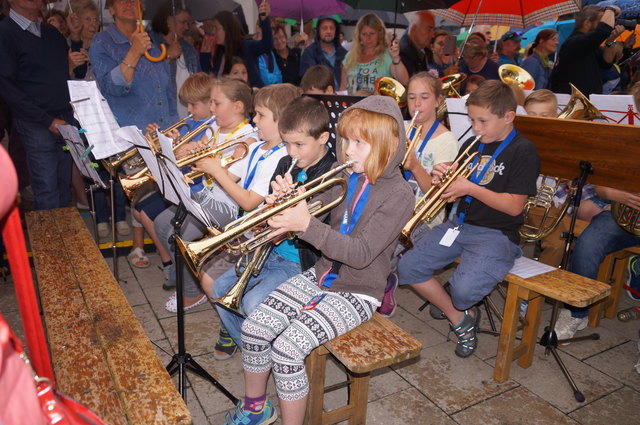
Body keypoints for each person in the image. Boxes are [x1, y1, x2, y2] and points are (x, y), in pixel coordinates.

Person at [223, 95, 413, 425]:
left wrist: (305, 224)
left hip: (358, 292)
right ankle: (256, 408)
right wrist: (289, 200)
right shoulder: (350, 175)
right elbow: (315, 204)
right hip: (321, 275)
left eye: (358, 143)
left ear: (389, 143)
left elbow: (360, 253)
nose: (348, 150)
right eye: (346, 141)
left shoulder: (400, 194)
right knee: (254, 329)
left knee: (286, 350)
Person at [397, 80, 540, 357]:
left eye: (483, 121)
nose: (475, 128)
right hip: (458, 225)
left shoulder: (523, 151)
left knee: (463, 292)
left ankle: (460, 303)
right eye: (472, 120)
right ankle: (460, 317)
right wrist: (443, 176)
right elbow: (453, 192)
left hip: (497, 234)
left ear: (509, 117)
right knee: (408, 268)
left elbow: (513, 208)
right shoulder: (476, 141)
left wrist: (470, 188)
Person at [207, 96, 336, 357]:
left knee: (254, 304)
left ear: (322, 138)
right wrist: (269, 210)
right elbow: (267, 215)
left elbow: (319, 231)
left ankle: (262, 352)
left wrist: (289, 209)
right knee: (219, 289)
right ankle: (259, 354)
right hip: (271, 251)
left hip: (302, 261)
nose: (291, 152)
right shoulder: (284, 163)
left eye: (299, 144)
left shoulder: (332, 174)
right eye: (287, 143)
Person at [160, 83, 296, 312]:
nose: (254, 121)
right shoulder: (256, 149)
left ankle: (233, 313)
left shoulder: (280, 156)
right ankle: (228, 311)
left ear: (282, 120)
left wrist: (215, 170)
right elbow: (230, 176)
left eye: (261, 115)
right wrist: (202, 160)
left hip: (254, 229)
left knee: (212, 279)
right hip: (244, 226)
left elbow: (249, 202)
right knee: (207, 275)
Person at [554, 81, 640, 339]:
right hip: (623, 215)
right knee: (588, 243)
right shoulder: (631, 140)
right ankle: (575, 313)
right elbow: (602, 189)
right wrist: (617, 194)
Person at [129, 72, 214, 275]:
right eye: (188, 105)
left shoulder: (210, 128)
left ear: (211, 103)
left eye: (194, 105)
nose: (189, 110)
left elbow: (186, 162)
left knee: (147, 215)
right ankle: (169, 261)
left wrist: (173, 148)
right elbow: (170, 158)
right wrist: (157, 139)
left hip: (191, 189)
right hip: (178, 185)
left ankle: (171, 264)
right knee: (137, 209)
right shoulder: (191, 123)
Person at [0, 0, 75, 210]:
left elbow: (64, 75)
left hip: (63, 118)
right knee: (47, 189)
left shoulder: (52, 33)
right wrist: (47, 120)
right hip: (35, 122)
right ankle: (52, 243)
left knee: (63, 186)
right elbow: (7, 88)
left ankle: (62, 240)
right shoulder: (4, 33)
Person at [548, 5, 624, 96]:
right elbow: (603, 31)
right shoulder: (575, 42)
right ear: (587, 23)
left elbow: (606, 63)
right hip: (573, 101)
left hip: (586, 101)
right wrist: (610, 9)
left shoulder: (588, 45)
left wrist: (611, 41)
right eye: (601, 21)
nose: (607, 23)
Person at [150, 0, 201, 118]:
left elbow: (199, 82)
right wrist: (167, 57)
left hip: (190, 116)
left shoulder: (188, 48)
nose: (186, 27)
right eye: (182, 22)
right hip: (165, 116)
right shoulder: (150, 45)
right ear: (168, 21)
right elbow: (149, 82)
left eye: (188, 22)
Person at [206, 1, 273, 87]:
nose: (213, 32)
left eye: (216, 28)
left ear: (227, 29)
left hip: (250, 97)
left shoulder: (246, 45)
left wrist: (264, 20)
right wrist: (205, 56)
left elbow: (267, 45)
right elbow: (212, 80)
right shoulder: (221, 52)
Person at [340, 13, 409, 94]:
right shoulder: (350, 57)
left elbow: (404, 81)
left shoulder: (387, 56)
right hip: (353, 106)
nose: (368, 38)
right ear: (359, 36)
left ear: (379, 33)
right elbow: (342, 89)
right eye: (364, 34)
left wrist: (396, 58)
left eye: (372, 33)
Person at [299, 15, 347, 90]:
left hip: (341, 97)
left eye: (332, 28)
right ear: (318, 31)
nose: (328, 31)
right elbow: (307, 81)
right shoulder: (309, 53)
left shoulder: (344, 53)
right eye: (324, 28)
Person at [399, 11, 435, 77]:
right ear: (414, 29)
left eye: (433, 30)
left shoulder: (419, 50)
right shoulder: (402, 54)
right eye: (429, 29)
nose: (433, 35)